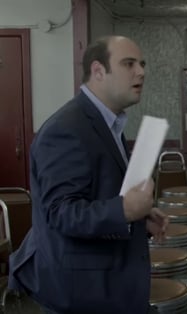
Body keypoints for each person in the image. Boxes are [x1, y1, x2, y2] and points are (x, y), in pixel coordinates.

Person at [8, 36, 169, 314]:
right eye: (128, 64)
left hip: (109, 283)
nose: (141, 71)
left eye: (142, 64)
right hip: (82, 292)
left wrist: (139, 216)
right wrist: (124, 210)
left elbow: (99, 192)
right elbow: (60, 213)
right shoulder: (66, 129)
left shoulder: (110, 123)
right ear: (98, 71)